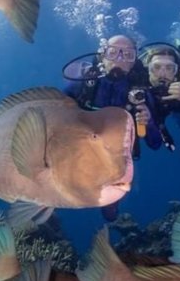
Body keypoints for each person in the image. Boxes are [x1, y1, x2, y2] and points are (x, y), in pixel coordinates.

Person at [62, 35, 161, 221]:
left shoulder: (141, 93)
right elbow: (56, 110)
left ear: (134, 62)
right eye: (113, 52)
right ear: (102, 55)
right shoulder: (84, 81)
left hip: (116, 159)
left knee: (110, 213)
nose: (120, 60)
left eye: (128, 55)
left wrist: (149, 122)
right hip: (79, 149)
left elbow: (155, 144)